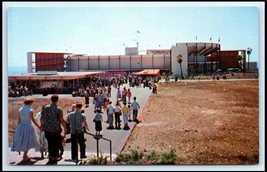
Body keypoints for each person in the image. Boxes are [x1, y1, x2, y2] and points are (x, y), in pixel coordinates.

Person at [41, 94, 67, 164]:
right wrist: (65, 128)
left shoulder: (45, 108)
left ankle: (51, 155)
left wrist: (42, 126)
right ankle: (54, 156)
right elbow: (61, 120)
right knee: (55, 143)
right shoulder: (58, 109)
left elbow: (42, 118)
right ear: (57, 100)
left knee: (50, 143)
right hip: (55, 129)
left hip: (47, 129)